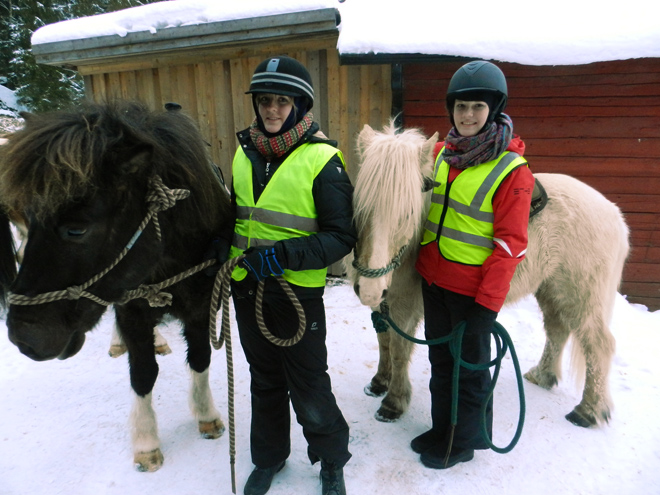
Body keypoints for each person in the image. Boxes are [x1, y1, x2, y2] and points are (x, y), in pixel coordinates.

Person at [214, 55, 355, 495]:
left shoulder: (323, 160)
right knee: (265, 378)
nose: (272, 110)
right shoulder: (243, 153)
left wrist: (278, 257)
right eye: (264, 101)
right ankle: (269, 457)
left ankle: (331, 459)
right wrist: (221, 250)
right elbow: (236, 217)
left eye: (282, 101)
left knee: (309, 383)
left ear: (299, 105)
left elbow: (340, 237)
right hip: (246, 288)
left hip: (296, 292)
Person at [412, 60, 534, 469]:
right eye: (461, 106)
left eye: (477, 107)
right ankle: (441, 428)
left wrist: (487, 306)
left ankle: (463, 441)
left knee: (470, 370)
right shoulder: (443, 154)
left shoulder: (511, 170)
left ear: (494, 110)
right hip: (433, 280)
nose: (467, 116)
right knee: (440, 362)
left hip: (470, 292)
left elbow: (510, 246)